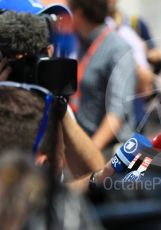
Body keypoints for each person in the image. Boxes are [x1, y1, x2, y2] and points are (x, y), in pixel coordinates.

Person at [0, 9, 105, 178]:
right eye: (26, 49)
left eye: (45, 44)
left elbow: (95, 175)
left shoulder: (47, 98)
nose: (44, 57)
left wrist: (59, 108)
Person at [67, 0, 136, 156]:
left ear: (78, 14)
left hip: (106, 151)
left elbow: (117, 113)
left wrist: (87, 154)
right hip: (85, 143)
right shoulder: (82, 44)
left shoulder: (118, 48)